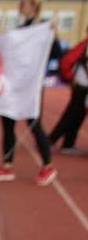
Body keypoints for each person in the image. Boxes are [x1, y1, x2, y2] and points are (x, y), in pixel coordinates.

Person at [0, 0, 60, 185]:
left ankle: (47, 165)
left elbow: (56, 53)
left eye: (24, 3)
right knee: (7, 121)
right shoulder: (18, 31)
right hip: (14, 84)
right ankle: (7, 165)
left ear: (34, 7)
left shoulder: (42, 29)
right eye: (20, 3)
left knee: (34, 123)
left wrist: (54, 36)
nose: (21, 6)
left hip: (31, 86)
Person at [49, 27, 88, 155]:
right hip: (82, 88)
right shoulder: (85, 45)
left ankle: (68, 144)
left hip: (83, 88)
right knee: (71, 116)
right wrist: (70, 78)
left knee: (78, 117)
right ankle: (49, 141)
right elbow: (66, 61)